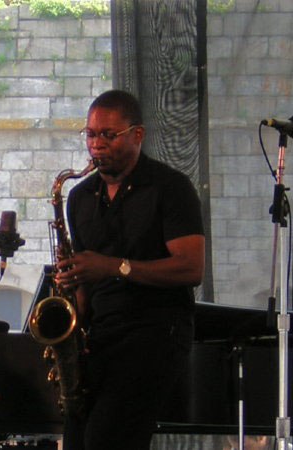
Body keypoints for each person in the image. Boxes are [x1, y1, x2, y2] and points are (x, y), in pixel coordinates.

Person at [55, 90, 205, 450]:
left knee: (108, 440)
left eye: (108, 135)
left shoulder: (171, 188)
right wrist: (70, 310)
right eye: (91, 135)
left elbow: (191, 268)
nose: (97, 145)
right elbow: (85, 285)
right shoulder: (79, 197)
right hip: (100, 338)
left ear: (137, 135)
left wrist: (114, 267)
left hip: (154, 335)